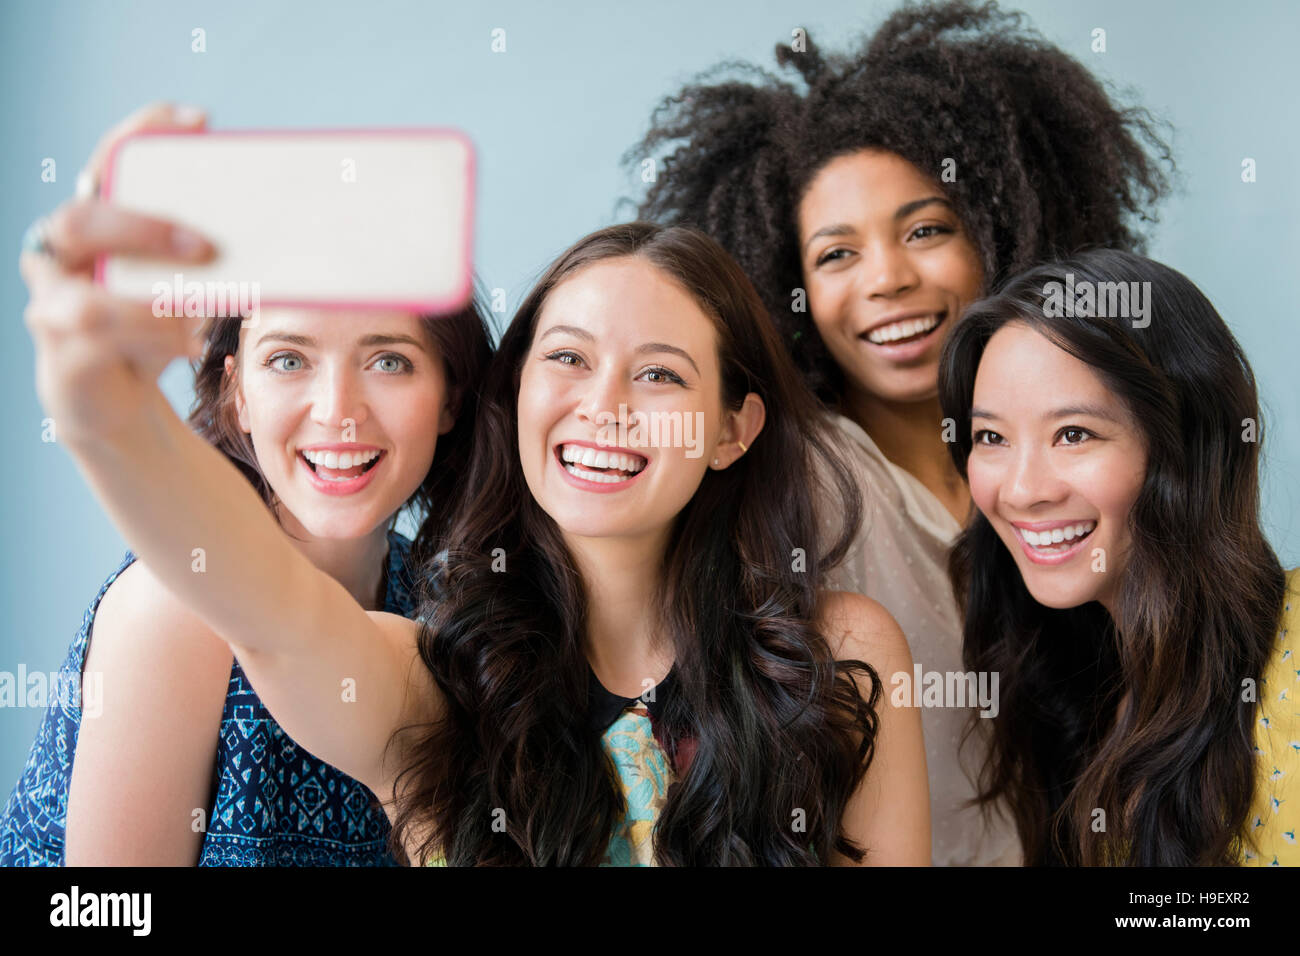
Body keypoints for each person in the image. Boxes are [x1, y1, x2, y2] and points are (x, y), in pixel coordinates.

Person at [21, 210, 930, 864]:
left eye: (657, 374)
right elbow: (262, 604)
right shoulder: (433, 677)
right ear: (516, 393)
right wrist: (106, 409)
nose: (602, 407)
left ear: (732, 429)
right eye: (568, 358)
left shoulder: (842, 656)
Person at [629, 0, 1173, 865]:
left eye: (926, 230)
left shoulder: (1082, 464)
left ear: (1002, 233)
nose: (887, 279)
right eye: (837, 255)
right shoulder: (801, 472)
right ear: (785, 290)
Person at [2, 103, 492, 866]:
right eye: (289, 360)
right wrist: (102, 404)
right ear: (234, 392)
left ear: (452, 395)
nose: (338, 413)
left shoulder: (438, 605)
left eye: (389, 360)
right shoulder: (177, 609)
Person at [937, 248, 1297, 866]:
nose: (1022, 489)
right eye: (991, 437)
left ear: (1184, 444)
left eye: (1074, 434)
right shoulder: (1077, 690)